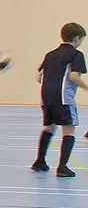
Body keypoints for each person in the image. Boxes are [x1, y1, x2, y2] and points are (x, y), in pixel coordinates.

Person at [33, 22, 84, 176]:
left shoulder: (50, 54)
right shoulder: (76, 54)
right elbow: (74, 76)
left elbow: (38, 77)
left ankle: (39, 161)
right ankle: (62, 167)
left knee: (49, 127)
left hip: (46, 98)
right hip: (64, 98)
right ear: (77, 38)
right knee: (69, 129)